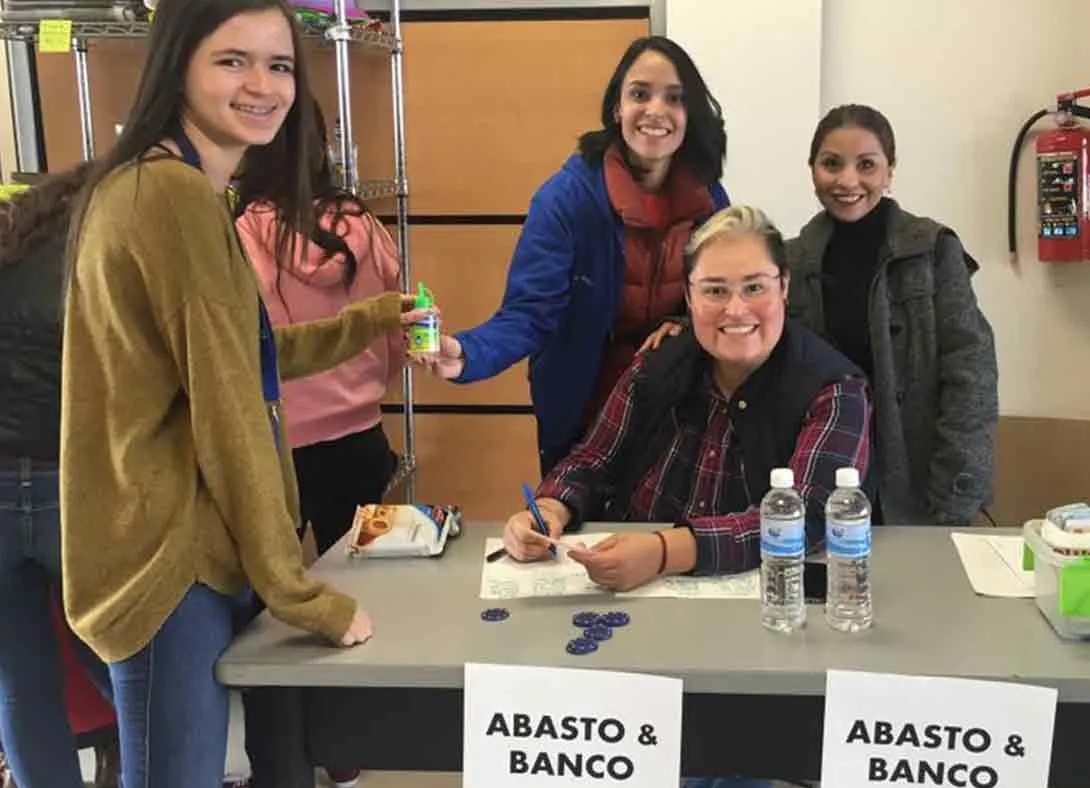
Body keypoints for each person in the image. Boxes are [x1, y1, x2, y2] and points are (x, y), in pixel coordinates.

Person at [60, 1, 420, 784]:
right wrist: (298, 592)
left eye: (280, 65)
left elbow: (237, 355)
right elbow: (229, 408)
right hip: (169, 558)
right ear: (177, 64)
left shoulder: (168, 186)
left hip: (184, 548)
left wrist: (365, 321)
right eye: (232, 61)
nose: (262, 85)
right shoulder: (173, 196)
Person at [496, 205, 872, 593]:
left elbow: (811, 514)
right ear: (689, 298)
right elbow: (593, 459)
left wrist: (665, 552)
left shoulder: (835, 388)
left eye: (755, 287)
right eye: (714, 290)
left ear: (785, 287)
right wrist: (548, 509)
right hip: (632, 590)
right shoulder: (660, 361)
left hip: (764, 600)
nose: (736, 309)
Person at [417, 36, 731, 475]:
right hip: (585, 411)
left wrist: (680, 325)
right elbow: (528, 315)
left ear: (689, 113)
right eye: (640, 94)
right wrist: (466, 353)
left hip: (678, 407)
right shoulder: (566, 199)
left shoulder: (709, 195)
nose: (655, 110)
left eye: (674, 98)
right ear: (617, 108)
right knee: (581, 538)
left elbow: (722, 296)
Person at [786, 104, 998, 526]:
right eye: (832, 164)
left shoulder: (933, 251)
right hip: (822, 479)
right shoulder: (791, 260)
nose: (848, 181)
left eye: (866, 165)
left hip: (917, 486)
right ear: (812, 169)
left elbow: (971, 374)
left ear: (889, 170)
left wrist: (957, 490)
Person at [238, 99, 404, 560]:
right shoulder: (362, 221)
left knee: (268, 599)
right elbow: (393, 331)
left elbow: (249, 340)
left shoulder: (244, 228)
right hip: (363, 435)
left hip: (278, 444)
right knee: (363, 585)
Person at [0, 166, 118, 788]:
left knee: (19, 684)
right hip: (65, 486)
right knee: (124, 662)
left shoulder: (9, 252)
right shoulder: (91, 265)